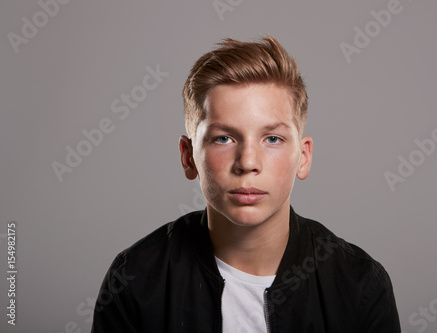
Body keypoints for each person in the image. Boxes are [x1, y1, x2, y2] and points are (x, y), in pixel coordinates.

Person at [91, 35, 401, 333]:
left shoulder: (360, 284)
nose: (247, 162)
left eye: (272, 139)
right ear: (188, 157)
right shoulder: (135, 279)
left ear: (303, 157)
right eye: (223, 138)